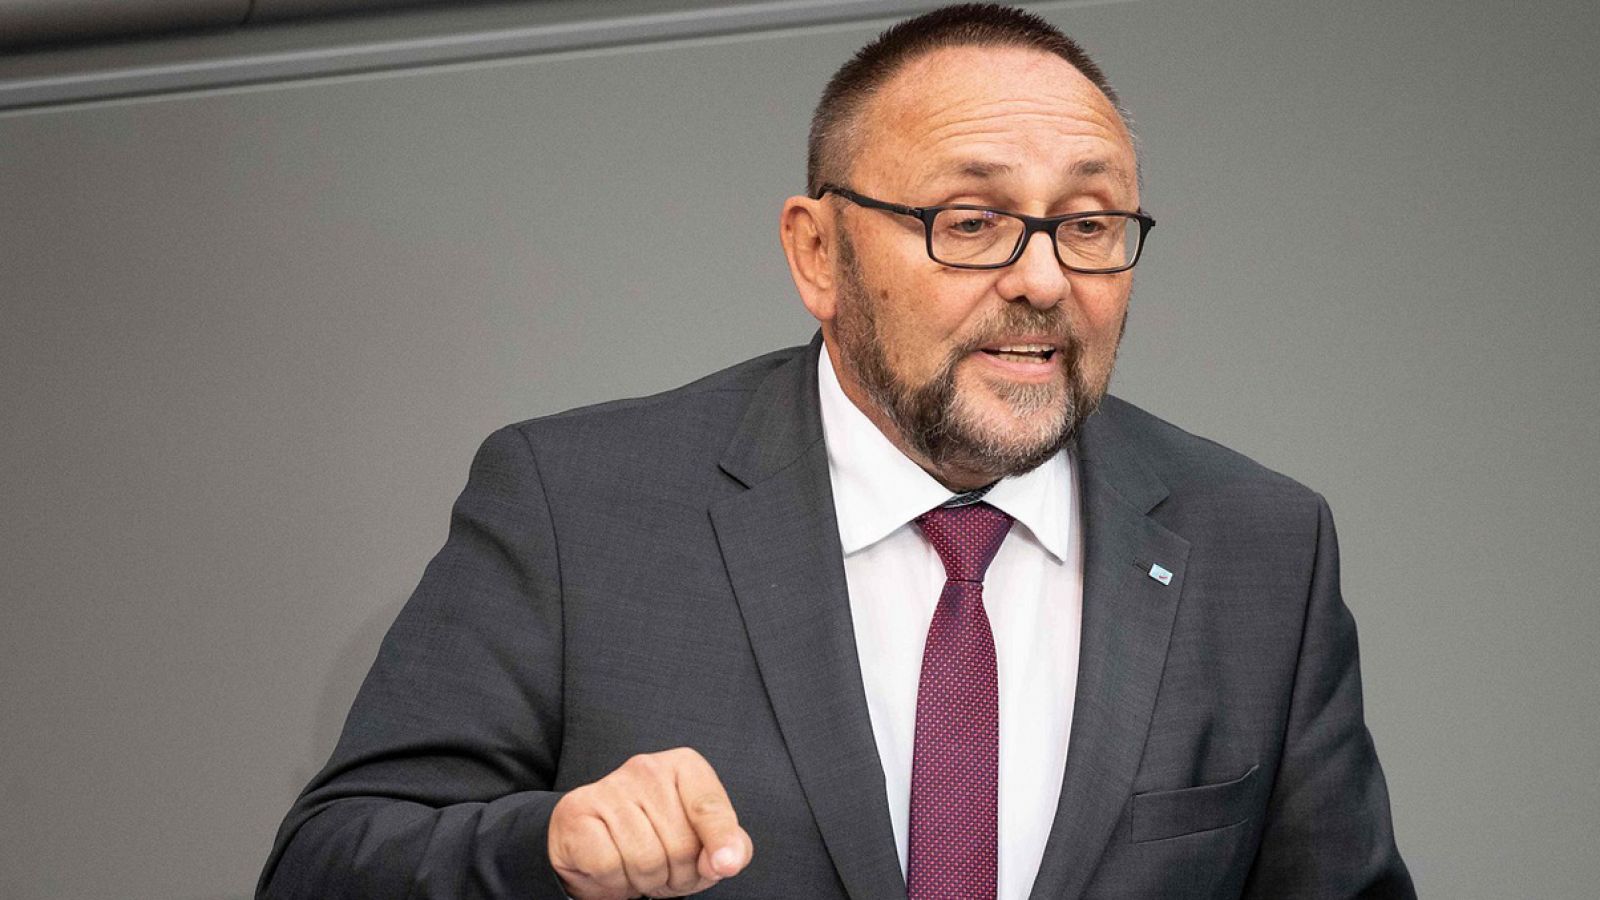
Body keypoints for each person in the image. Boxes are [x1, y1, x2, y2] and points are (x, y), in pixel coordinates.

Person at [258, 4, 1414, 898]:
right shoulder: (575, 505)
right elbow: (327, 865)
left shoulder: (1258, 544)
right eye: (968, 223)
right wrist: (541, 847)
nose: (1043, 278)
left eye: (1090, 225)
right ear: (817, 255)